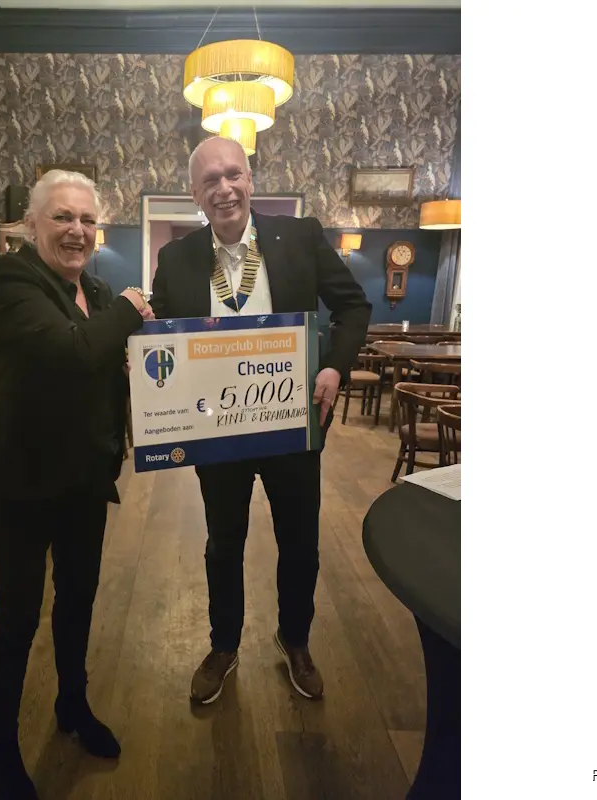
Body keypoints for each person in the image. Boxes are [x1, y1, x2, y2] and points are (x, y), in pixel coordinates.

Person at [151, 136, 372, 705]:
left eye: (233, 175)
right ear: (194, 194)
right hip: (216, 430)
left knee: (300, 542)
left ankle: (295, 639)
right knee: (222, 544)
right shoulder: (175, 258)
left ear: (250, 180)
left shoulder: (300, 236)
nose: (224, 189)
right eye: (210, 181)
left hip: (291, 423)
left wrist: (335, 367)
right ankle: (223, 645)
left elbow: (353, 306)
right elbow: (159, 337)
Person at [0, 169, 154, 800]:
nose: (77, 230)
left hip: (84, 482)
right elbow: (71, 351)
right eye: (62, 217)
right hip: (22, 484)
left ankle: (72, 706)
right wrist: (130, 312)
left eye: (87, 219)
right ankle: (1, 750)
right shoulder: (10, 279)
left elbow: (103, 367)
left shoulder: (99, 291)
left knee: (77, 603)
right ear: (31, 225)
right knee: (17, 620)